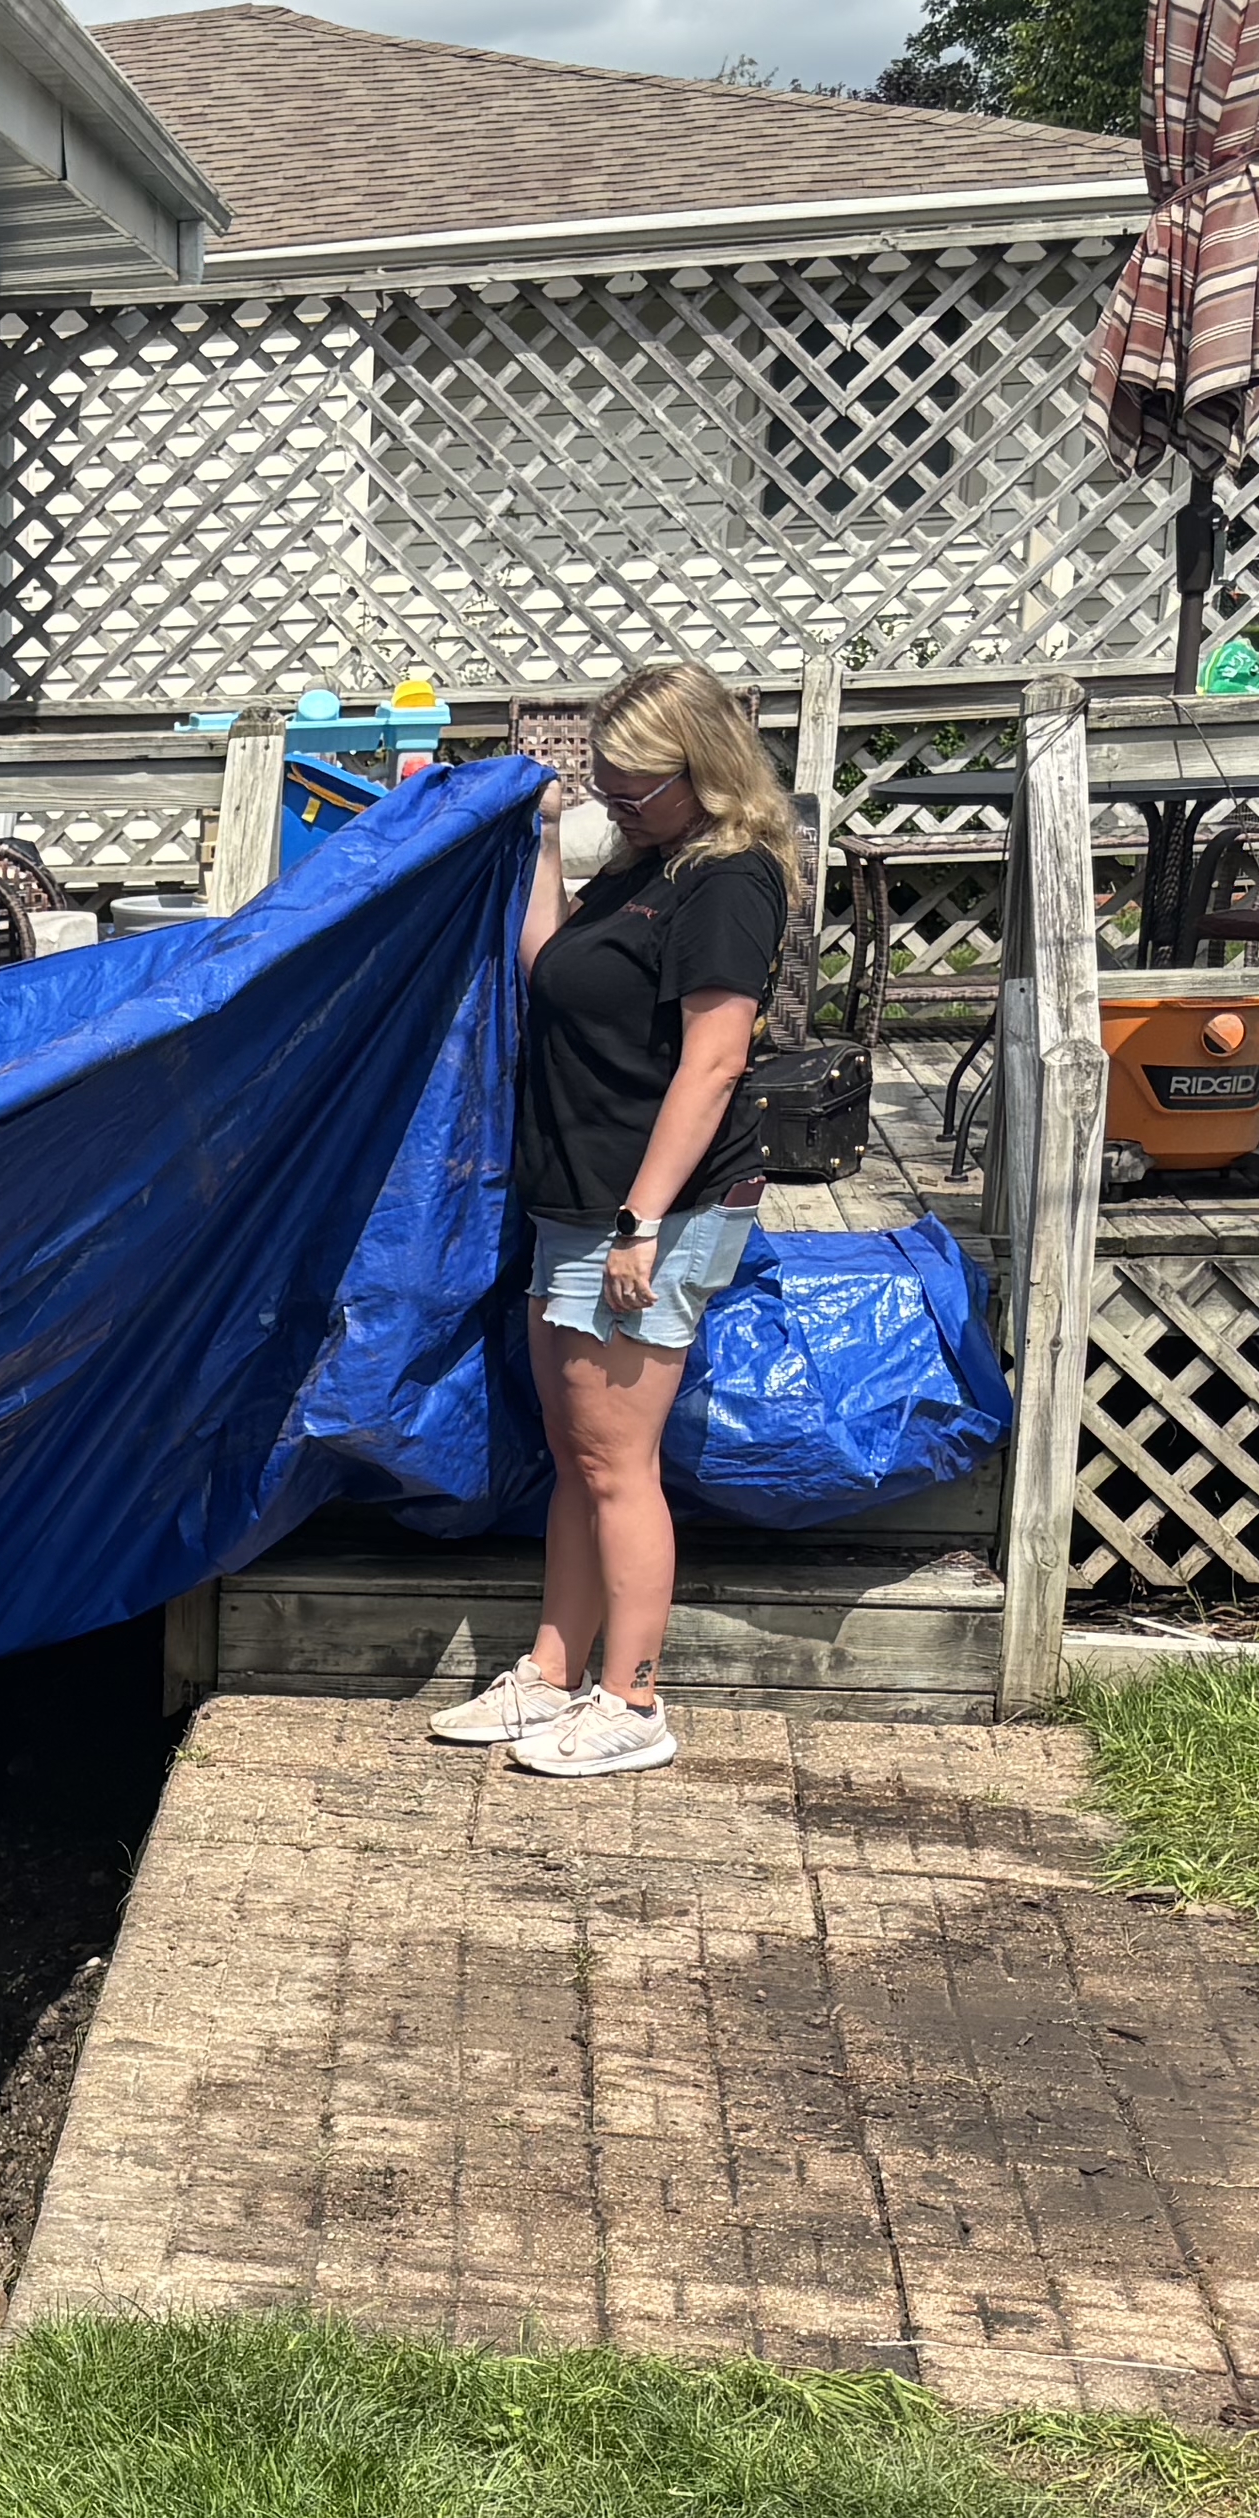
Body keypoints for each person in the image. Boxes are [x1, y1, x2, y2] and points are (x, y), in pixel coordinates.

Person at [434, 660, 799, 1780]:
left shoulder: (728, 880)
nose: (619, 803)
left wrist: (642, 1221)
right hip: (581, 1198)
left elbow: (715, 1061)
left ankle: (633, 1699)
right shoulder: (645, 864)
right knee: (577, 1455)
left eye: (637, 787)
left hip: (648, 1209)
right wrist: (548, 837)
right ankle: (551, 1676)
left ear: (705, 771)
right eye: (607, 783)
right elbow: (548, 968)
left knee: (616, 1464)